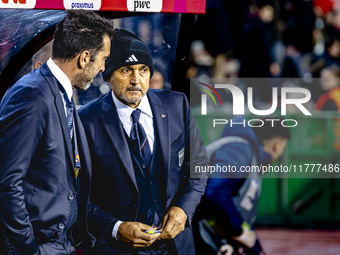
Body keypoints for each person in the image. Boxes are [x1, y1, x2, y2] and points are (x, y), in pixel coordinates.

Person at [78, 29, 208, 255]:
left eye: (143, 70)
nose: (135, 80)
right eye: (126, 70)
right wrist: (115, 228)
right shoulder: (85, 121)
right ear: (108, 75)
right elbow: (76, 193)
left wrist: (183, 209)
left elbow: (198, 167)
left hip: (175, 246)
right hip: (116, 248)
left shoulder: (177, 104)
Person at [0, 10, 115, 255]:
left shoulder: (60, 92)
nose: (103, 67)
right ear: (85, 58)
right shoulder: (33, 95)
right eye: (103, 58)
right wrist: (27, 249)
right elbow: (7, 181)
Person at [195, 116, 290, 255]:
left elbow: (239, 214)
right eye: (283, 147)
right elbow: (216, 190)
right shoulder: (240, 150)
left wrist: (253, 246)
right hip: (193, 233)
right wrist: (238, 231)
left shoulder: (247, 156)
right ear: (277, 144)